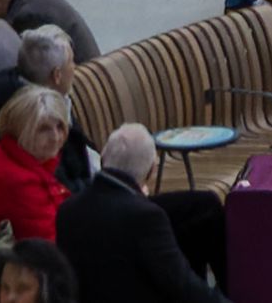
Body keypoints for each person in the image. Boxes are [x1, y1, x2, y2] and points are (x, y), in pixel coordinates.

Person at [56, 130, 196, 303]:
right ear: (151, 171)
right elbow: (181, 283)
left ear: (103, 160)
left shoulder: (66, 210)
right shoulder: (146, 216)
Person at [0, 90, 75, 253]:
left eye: (60, 126)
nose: (55, 137)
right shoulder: (20, 181)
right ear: (21, 131)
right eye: (43, 129)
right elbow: (49, 245)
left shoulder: (15, 154)